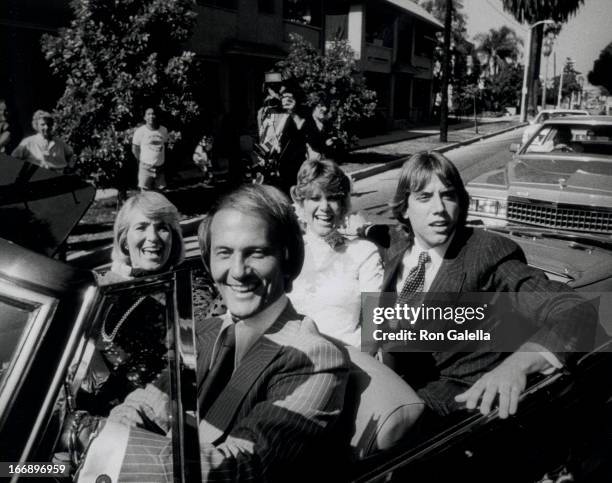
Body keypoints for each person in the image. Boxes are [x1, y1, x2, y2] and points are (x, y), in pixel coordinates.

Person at [76, 184, 349, 482]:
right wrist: (98, 436)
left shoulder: (316, 358)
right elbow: (145, 405)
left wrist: (96, 441)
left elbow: (241, 469)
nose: (237, 271)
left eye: (256, 253)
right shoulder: (201, 332)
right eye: (224, 253)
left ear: (286, 258)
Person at [380, 151, 594, 421]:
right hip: (387, 384)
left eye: (448, 195)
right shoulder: (397, 246)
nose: (439, 208)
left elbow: (573, 309)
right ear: (404, 209)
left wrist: (518, 362)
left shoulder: (489, 253)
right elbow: (379, 231)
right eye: (424, 197)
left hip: (451, 408)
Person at [78, 191, 185, 416]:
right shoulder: (99, 290)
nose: (153, 237)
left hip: (154, 415)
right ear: (124, 239)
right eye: (141, 227)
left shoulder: (185, 293)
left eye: (163, 227)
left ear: (174, 238)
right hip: (91, 410)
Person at [290, 159, 383, 348]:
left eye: (332, 198)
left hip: (350, 361)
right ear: (301, 203)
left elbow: (374, 328)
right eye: (315, 198)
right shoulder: (287, 252)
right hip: (292, 362)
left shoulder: (364, 253)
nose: (324, 207)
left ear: (342, 205)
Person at [257, 81, 312, 193]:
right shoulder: (263, 112)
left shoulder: (299, 112)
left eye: (281, 94)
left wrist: (292, 112)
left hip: (293, 168)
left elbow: (306, 133)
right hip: (271, 169)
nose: (273, 97)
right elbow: (263, 138)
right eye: (269, 93)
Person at [132, 106, 169, 191]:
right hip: (145, 168)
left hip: (160, 168)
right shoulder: (140, 131)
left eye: (153, 114)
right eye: (148, 114)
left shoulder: (163, 130)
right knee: (145, 194)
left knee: (159, 194)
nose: (151, 116)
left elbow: (164, 145)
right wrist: (141, 161)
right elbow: (135, 149)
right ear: (145, 117)